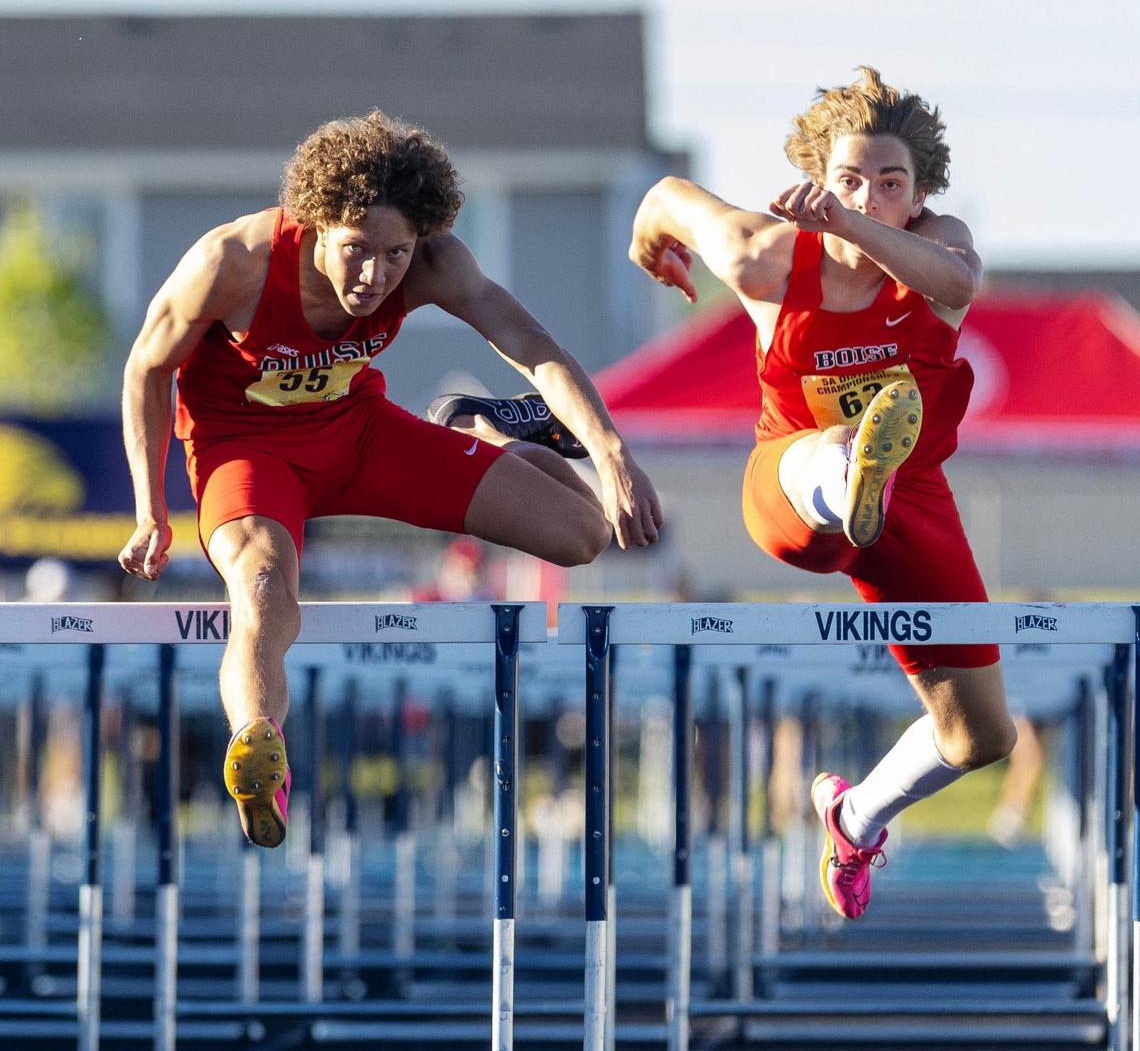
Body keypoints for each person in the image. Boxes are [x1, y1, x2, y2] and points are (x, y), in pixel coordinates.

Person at [118, 109, 661, 849]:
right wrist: (151, 509)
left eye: (395, 255)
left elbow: (532, 344)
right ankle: (259, 748)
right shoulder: (233, 262)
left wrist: (610, 452)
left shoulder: (436, 261)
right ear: (312, 222)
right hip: (247, 453)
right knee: (264, 582)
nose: (374, 276)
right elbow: (147, 369)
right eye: (356, 251)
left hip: (361, 435)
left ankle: (479, 427)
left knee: (583, 535)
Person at [628, 67, 1016, 920]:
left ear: (919, 195)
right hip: (790, 481)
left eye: (890, 184)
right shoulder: (764, 254)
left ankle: (855, 815)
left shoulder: (938, 247)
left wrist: (852, 224)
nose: (869, 197)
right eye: (847, 180)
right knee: (837, 454)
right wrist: (649, 240)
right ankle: (848, 476)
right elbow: (663, 192)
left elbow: (955, 286)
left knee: (982, 735)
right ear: (815, 176)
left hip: (910, 496)